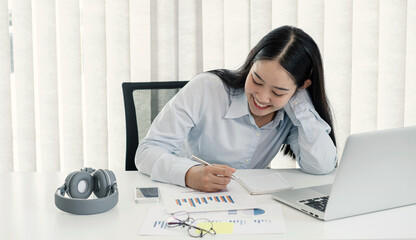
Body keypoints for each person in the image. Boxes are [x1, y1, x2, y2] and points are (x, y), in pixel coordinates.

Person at [135, 25, 337, 192]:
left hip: (250, 207)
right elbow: (146, 152)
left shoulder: (293, 112)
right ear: (251, 60)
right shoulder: (207, 89)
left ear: (302, 86)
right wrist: (189, 174)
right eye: (257, 81)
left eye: (278, 92)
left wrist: (299, 104)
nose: (262, 98)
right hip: (188, 198)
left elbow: (321, 166)